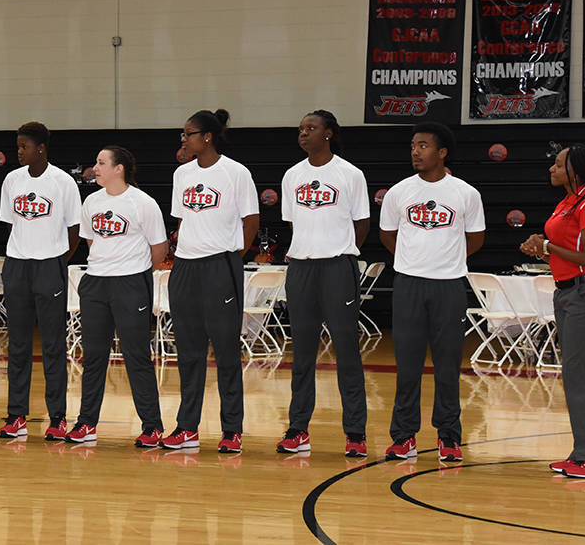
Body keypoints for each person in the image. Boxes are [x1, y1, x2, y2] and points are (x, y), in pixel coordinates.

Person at [379, 122, 484, 462]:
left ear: (442, 153)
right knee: (407, 365)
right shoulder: (398, 193)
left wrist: (446, 261)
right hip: (408, 284)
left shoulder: (466, 194)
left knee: (448, 365)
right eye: (413, 145)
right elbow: (387, 235)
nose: (415, 151)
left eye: (423, 145)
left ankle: (449, 437)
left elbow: (476, 238)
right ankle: (403, 437)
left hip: (450, 285)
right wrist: (414, 261)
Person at [162, 109, 259, 451]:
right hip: (185, 268)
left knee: (227, 352)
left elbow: (251, 221)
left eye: (188, 134)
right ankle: (187, 427)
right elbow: (183, 222)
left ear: (207, 137)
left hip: (220, 266)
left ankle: (232, 430)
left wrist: (232, 256)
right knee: (188, 353)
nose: (184, 140)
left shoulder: (236, 172)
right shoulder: (182, 174)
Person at [276, 110, 370, 457]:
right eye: (301, 128)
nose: (303, 134)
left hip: (337, 268)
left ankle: (356, 433)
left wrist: (338, 251)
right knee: (301, 354)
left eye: (311, 128)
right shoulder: (291, 175)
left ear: (328, 133)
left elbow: (361, 223)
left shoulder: (350, 174)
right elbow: (293, 224)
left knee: (346, 351)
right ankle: (298, 429)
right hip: (301, 268)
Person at [520, 144, 585, 478]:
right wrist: (542, 252)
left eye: (558, 165)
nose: (552, 169)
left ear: (576, 170)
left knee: (579, 375)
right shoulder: (566, 203)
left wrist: (546, 245)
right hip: (569, 293)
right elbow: (565, 254)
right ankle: (584, 454)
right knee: (574, 375)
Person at [65, 146, 165, 447]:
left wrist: (132, 273)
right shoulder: (91, 202)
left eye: (101, 162)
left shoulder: (142, 203)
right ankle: (86, 424)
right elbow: (90, 241)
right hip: (96, 283)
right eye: (96, 162)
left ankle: (152, 426)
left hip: (131, 283)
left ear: (119, 168)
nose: (95, 168)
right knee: (93, 357)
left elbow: (158, 249)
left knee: (137, 356)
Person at [0, 121, 81, 440]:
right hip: (18, 266)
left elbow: (75, 230)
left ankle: (57, 417)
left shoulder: (62, 182)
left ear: (41, 148)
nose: (18, 152)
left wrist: (58, 259)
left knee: (52, 344)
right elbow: (10, 225)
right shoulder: (11, 180)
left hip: (50, 266)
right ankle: (16, 415)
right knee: (17, 344)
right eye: (17, 146)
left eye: (24, 147)